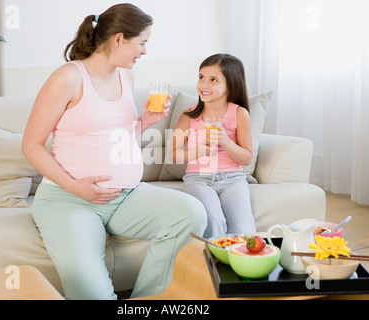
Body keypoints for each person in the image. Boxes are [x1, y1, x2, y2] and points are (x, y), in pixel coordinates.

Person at [22, 3, 206, 300]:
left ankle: (145, 300)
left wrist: (145, 121)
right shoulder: (68, 77)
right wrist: (74, 186)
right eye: (142, 43)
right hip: (68, 200)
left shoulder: (125, 76)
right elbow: (30, 145)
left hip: (125, 196)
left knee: (191, 212)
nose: (144, 51)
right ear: (119, 39)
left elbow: (116, 137)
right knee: (92, 295)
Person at [171, 53, 255, 238]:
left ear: (230, 85)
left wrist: (226, 141)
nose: (204, 85)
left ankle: (239, 265)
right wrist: (199, 150)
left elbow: (247, 158)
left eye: (213, 80)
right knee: (214, 222)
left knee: (243, 231)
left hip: (233, 179)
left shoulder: (240, 114)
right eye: (201, 77)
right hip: (198, 179)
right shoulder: (188, 115)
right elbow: (173, 154)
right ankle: (210, 265)